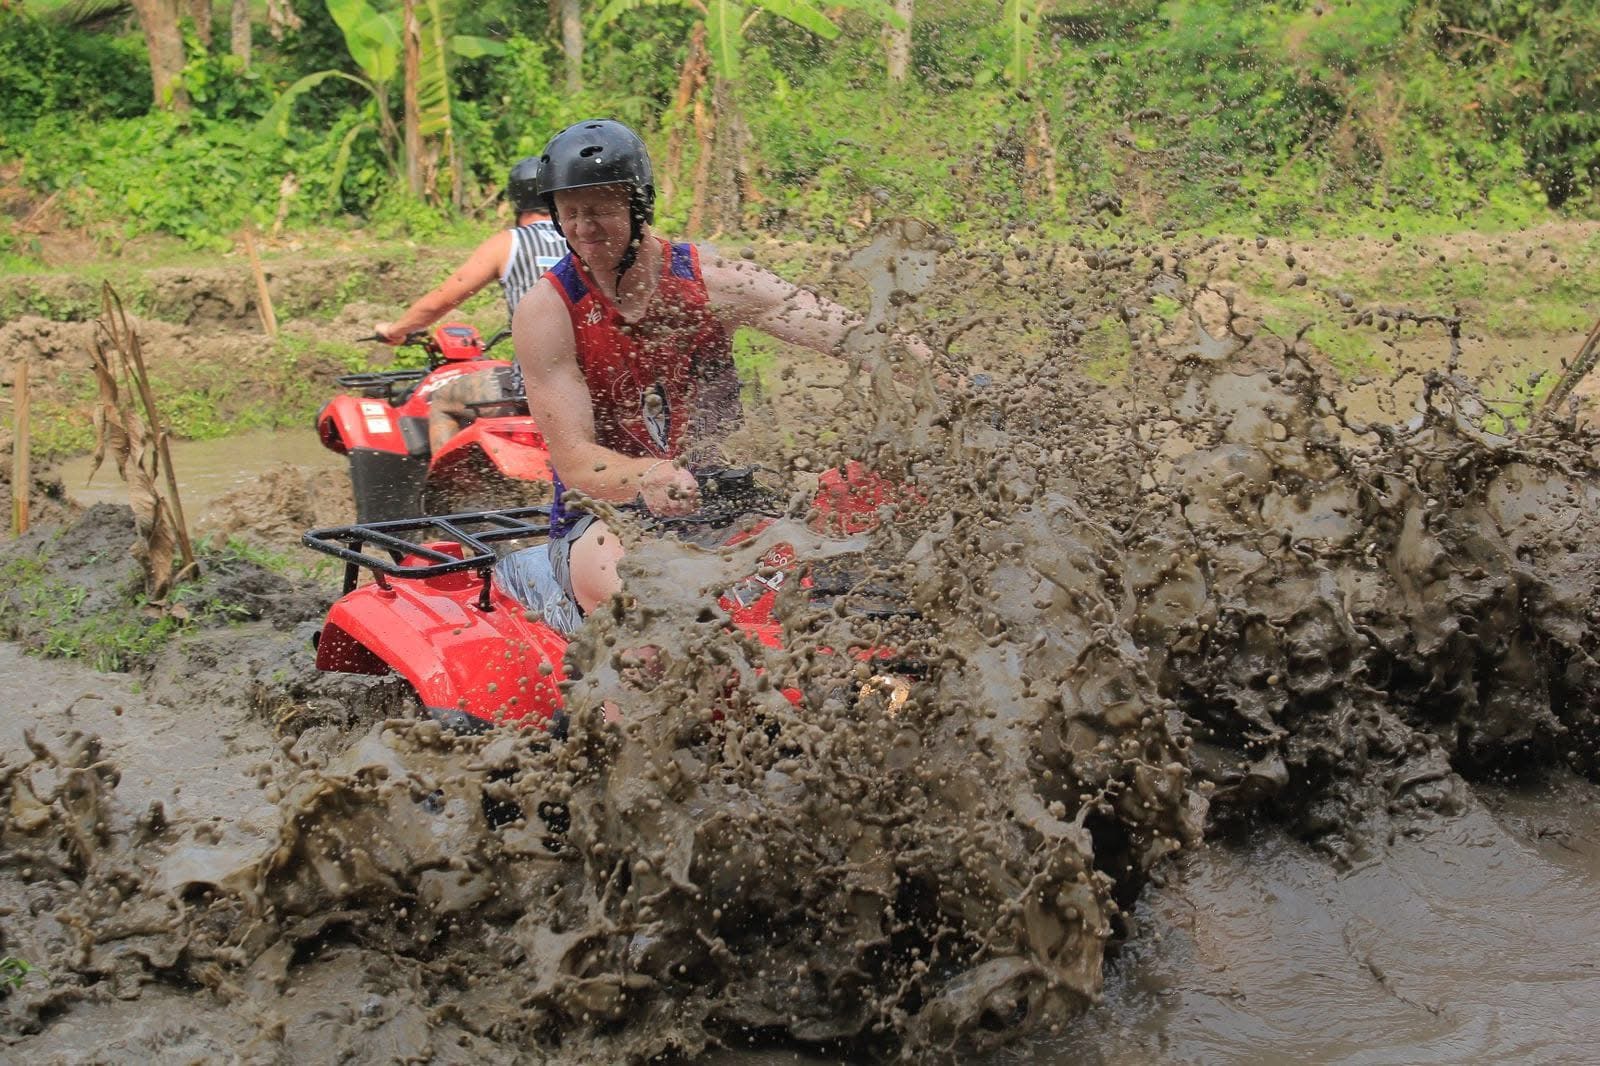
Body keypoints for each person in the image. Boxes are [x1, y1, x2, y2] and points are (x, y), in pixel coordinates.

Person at [499, 118, 932, 636]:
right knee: (650, 617)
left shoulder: (710, 281)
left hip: (726, 501)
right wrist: (648, 476)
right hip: (605, 520)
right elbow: (574, 461)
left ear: (638, 206)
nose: (584, 228)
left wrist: (949, 382)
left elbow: (844, 330)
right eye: (570, 213)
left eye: (600, 211)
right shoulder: (547, 311)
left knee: (864, 568)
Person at [372, 157, 569, 453]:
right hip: (590, 383)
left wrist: (396, 330)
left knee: (443, 401)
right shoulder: (582, 237)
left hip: (532, 389)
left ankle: (447, 482)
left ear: (517, 201)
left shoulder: (508, 243)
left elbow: (441, 299)